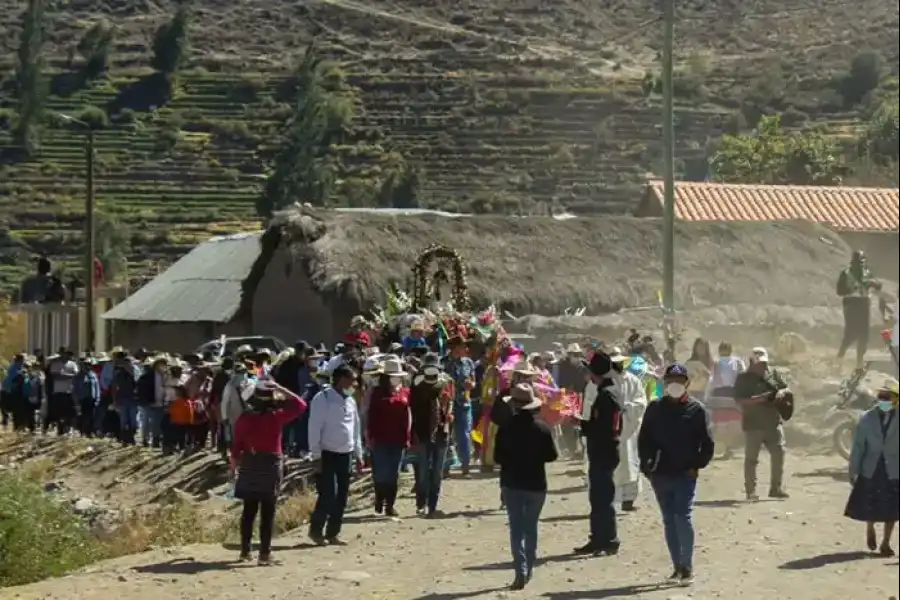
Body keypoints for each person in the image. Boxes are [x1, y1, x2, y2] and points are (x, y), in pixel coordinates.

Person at [638, 364, 715, 586]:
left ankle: (687, 565)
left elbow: (707, 444)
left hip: (685, 474)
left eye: (680, 380)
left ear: (687, 384)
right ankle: (677, 567)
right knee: (669, 520)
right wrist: (647, 467)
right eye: (671, 379)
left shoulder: (697, 410)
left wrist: (697, 466)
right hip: (660, 474)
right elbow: (644, 441)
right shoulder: (654, 408)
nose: (675, 384)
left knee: (683, 516)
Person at [231, 379, 306, 564]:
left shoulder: (244, 418)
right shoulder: (276, 417)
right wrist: (280, 387)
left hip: (250, 462)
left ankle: (245, 552)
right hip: (271, 464)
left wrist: (232, 468)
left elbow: (235, 448)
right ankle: (265, 553)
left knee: (248, 510)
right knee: (268, 511)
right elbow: (301, 404)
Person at [494, 383, 558, 590]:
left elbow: (497, 458)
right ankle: (529, 566)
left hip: (512, 483)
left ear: (513, 405)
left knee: (516, 528)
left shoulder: (505, 428)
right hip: (536, 484)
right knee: (531, 527)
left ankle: (519, 569)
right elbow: (552, 456)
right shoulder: (542, 428)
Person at [308, 364, 364, 545]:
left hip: (345, 454)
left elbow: (355, 428)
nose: (354, 384)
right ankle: (316, 530)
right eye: (351, 380)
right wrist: (316, 455)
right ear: (341, 380)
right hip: (326, 454)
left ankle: (333, 533)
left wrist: (358, 454)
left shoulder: (350, 401)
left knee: (342, 495)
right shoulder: (322, 399)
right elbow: (314, 428)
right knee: (328, 494)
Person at [574, 351, 623, 557]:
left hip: (604, 450)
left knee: (603, 497)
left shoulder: (607, 396)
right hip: (602, 450)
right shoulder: (607, 392)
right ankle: (597, 538)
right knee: (597, 496)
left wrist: (582, 424)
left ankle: (609, 540)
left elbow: (604, 427)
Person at [845, 379, 898, 557]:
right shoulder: (866, 418)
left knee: (893, 508)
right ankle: (870, 527)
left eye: (888, 397)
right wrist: (853, 469)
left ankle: (886, 543)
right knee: (871, 503)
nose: (884, 400)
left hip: (894, 469)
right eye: (881, 396)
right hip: (871, 467)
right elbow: (859, 447)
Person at [733, 347, 792, 500]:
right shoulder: (743, 379)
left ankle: (776, 488)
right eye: (759, 364)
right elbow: (739, 401)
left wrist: (781, 393)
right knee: (751, 459)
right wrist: (759, 399)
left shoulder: (773, 374)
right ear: (751, 362)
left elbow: (787, 389)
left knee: (779, 454)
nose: (762, 366)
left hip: (773, 423)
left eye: (764, 363)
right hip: (754, 425)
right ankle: (750, 491)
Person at [366, 358, 411, 517]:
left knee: (394, 473)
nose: (396, 378)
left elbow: (408, 416)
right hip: (380, 438)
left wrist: (408, 437)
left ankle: (390, 505)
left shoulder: (405, 392)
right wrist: (369, 436)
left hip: (398, 439)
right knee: (381, 472)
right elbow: (371, 415)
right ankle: (379, 499)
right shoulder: (377, 393)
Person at [410, 353, 453, 516]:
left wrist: (448, 415)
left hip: (442, 432)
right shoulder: (417, 385)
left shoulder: (446, 383)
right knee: (422, 471)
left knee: (436, 472)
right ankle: (421, 502)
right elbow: (412, 409)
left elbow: (450, 405)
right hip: (421, 432)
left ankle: (432, 505)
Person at [612, 349, 648, 512]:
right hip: (610, 431)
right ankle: (610, 499)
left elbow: (641, 401)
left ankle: (628, 500)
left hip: (628, 429)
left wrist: (628, 408)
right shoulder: (603, 382)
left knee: (630, 461)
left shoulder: (633, 381)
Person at [837, 250, 881, 369]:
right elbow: (839, 291)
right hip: (851, 303)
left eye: (861, 263)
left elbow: (879, 285)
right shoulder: (845, 274)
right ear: (852, 263)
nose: (860, 266)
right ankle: (840, 358)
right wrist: (853, 288)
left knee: (864, 334)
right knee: (850, 333)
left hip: (864, 303)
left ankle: (859, 362)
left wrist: (872, 283)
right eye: (858, 263)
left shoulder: (867, 273)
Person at [444, 336, 476, 476]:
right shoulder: (443, 362)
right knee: (446, 435)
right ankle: (445, 466)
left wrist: (471, 385)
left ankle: (465, 465)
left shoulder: (468, 362)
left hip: (464, 403)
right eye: (463, 346)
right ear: (455, 348)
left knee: (464, 435)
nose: (465, 349)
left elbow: (473, 381)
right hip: (447, 404)